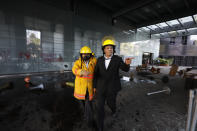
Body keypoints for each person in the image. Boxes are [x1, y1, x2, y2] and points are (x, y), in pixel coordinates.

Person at [93, 39, 132, 131]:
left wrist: (127, 64)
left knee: (111, 103)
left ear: (113, 50)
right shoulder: (99, 60)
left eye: (111, 48)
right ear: (104, 50)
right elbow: (95, 74)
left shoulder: (117, 59)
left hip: (112, 88)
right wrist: (94, 86)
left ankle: (113, 109)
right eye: (108, 48)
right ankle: (100, 127)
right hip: (101, 88)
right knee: (100, 108)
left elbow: (125, 69)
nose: (110, 49)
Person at [72, 46, 97, 124]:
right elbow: (74, 69)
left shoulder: (94, 62)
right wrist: (81, 72)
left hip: (89, 87)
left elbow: (99, 69)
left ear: (90, 54)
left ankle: (89, 119)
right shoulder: (78, 62)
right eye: (83, 54)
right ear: (81, 55)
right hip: (81, 87)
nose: (85, 56)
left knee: (88, 102)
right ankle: (86, 113)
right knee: (83, 102)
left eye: (87, 54)